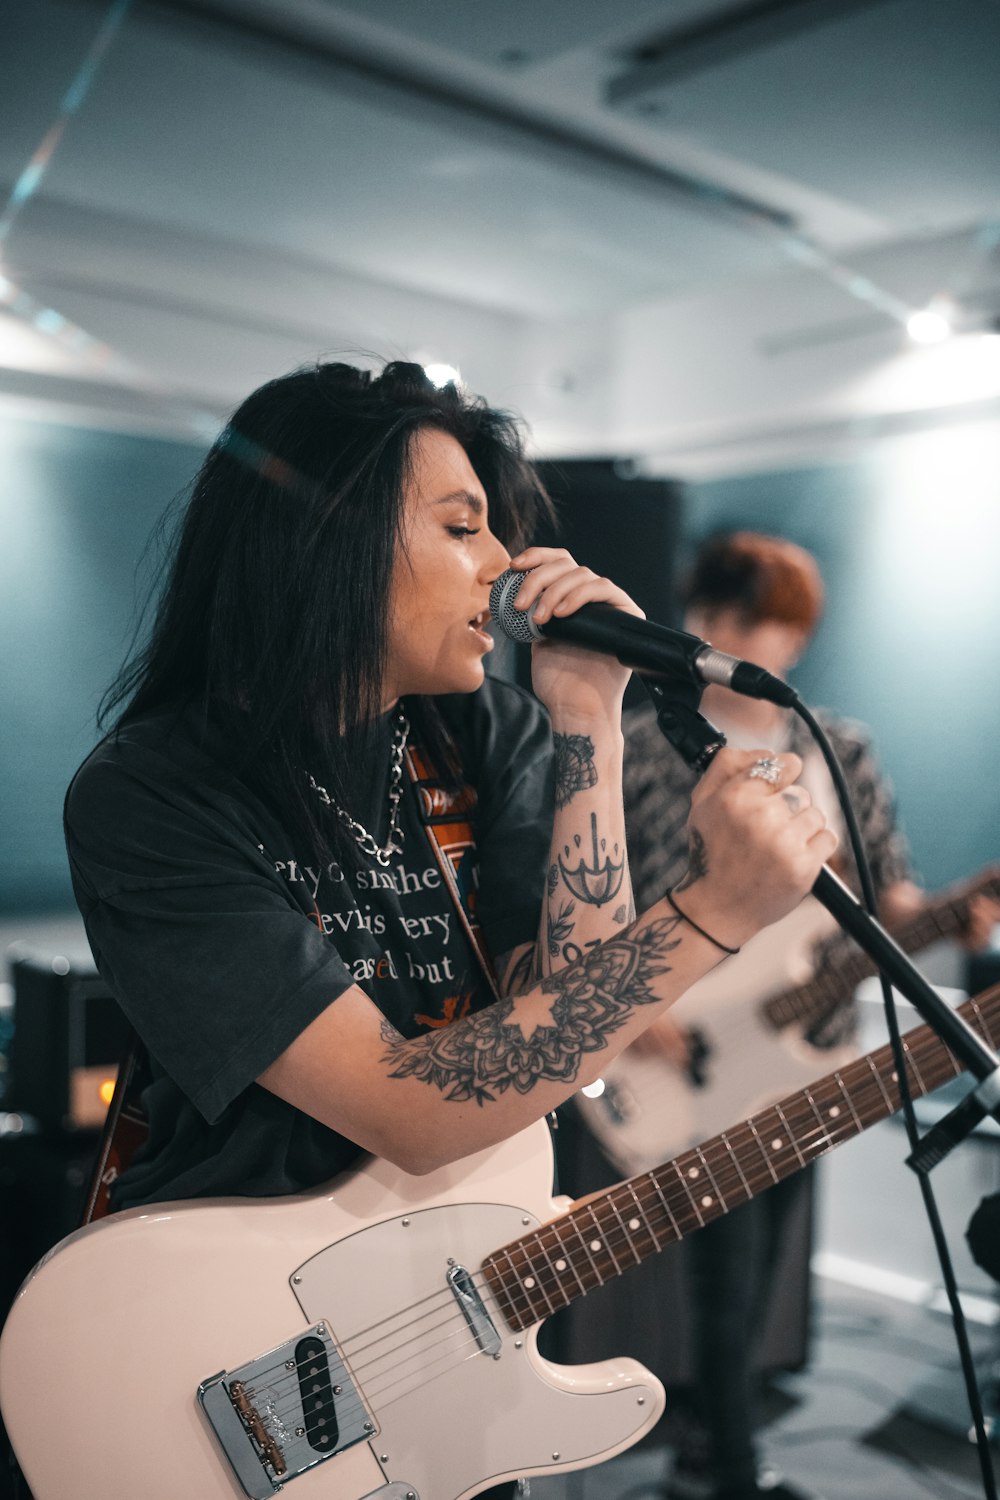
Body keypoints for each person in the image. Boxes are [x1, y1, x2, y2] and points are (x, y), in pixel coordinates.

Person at [61, 367, 836, 1499]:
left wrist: (587, 718)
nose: (500, 565)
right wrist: (716, 912)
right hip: (231, 1335)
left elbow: (575, 1017)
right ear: (327, 537)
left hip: (438, 1306)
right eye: (461, 525)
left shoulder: (484, 730)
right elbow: (407, 1105)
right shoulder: (158, 792)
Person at [617, 530, 999, 1500]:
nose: (755, 643)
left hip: (806, 1044)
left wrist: (956, 911)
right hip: (681, 1034)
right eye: (734, 621)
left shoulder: (839, 748)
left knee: (766, 1261)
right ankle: (732, 1474)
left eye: (771, 627)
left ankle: (710, 1456)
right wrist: (626, 1005)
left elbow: (889, 898)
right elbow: (593, 889)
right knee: (722, 1266)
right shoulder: (639, 744)